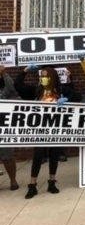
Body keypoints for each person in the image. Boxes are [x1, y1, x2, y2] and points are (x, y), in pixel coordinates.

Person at [14, 66, 66, 199]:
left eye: (46, 76)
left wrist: (65, 101)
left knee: (54, 155)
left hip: (55, 128)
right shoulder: (35, 91)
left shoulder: (60, 90)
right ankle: (32, 185)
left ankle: (52, 182)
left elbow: (76, 99)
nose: (43, 78)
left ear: (53, 77)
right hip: (40, 129)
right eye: (41, 76)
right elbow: (18, 85)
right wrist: (25, 70)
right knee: (38, 155)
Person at [0, 66, 19, 191]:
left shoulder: (5, 84)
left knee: (7, 156)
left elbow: (12, 89)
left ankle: (13, 180)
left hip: (3, 125)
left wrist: (4, 74)